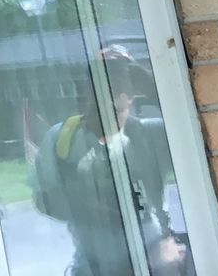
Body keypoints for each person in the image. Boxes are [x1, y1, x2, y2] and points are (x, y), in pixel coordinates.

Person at [29, 47, 189, 276]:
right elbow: (42, 200)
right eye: (97, 83)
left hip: (154, 261)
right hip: (92, 265)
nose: (107, 93)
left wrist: (148, 83)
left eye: (117, 82)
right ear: (85, 91)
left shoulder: (151, 134)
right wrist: (85, 206)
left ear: (132, 93)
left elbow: (193, 123)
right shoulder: (63, 138)